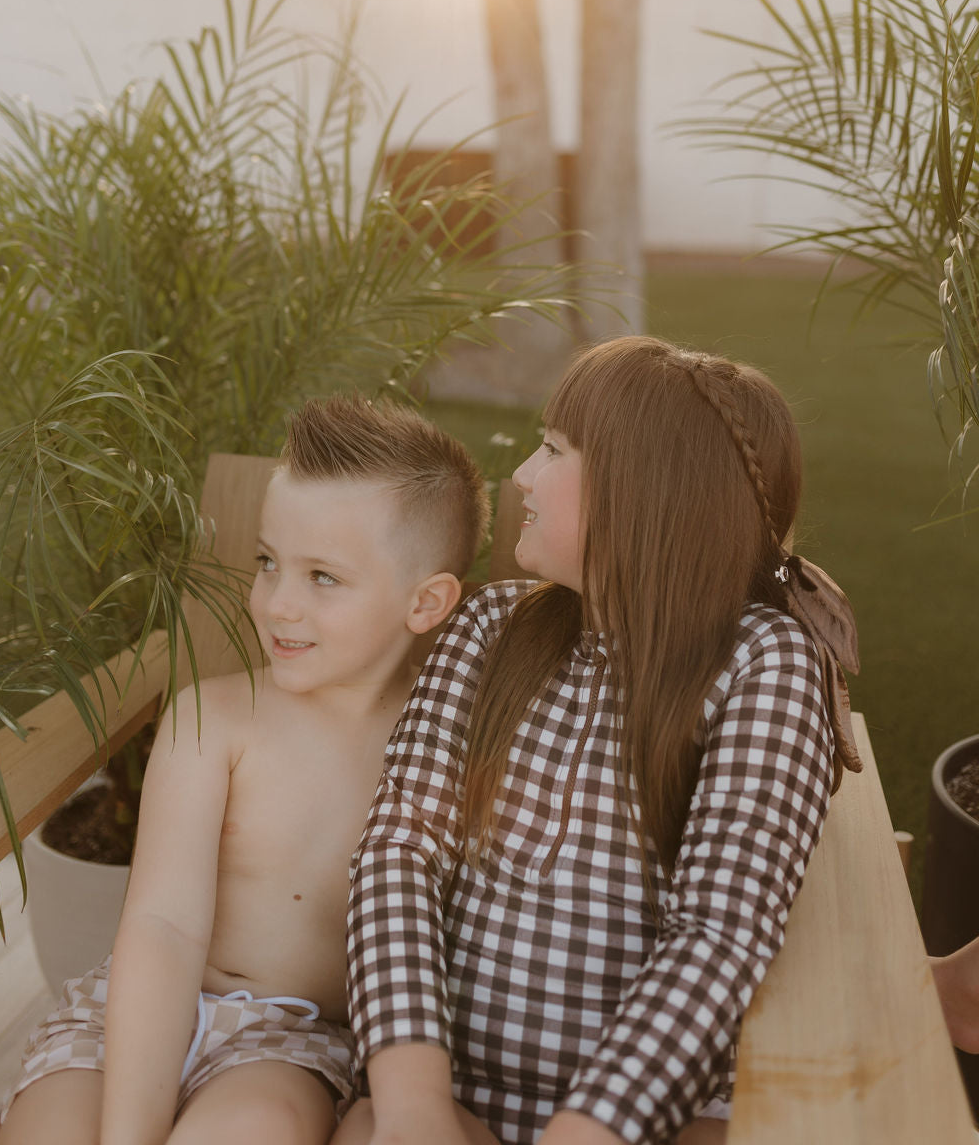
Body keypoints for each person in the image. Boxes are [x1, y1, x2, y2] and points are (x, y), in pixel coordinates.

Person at [337, 335, 862, 1145]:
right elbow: (399, 854)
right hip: (452, 1094)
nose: (520, 477)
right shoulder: (487, 628)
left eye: (551, 450)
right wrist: (413, 1107)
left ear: (645, 490)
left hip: (645, 1117)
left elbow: (720, 931)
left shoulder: (764, 665)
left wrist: (590, 1129)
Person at [0, 394, 490, 1145]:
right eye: (267, 563)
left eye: (323, 577)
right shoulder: (215, 718)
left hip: (287, 1044)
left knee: (249, 1128)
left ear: (426, 603)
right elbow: (162, 928)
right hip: (130, 1015)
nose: (278, 603)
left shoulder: (447, 745)